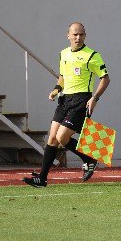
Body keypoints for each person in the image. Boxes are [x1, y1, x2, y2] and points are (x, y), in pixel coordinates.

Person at [23, 22, 110, 187]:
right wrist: (56, 90)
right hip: (64, 100)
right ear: (68, 35)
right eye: (75, 34)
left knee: (62, 137)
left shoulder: (92, 55)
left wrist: (95, 98)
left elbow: (105, 78)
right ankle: (42, 179)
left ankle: (89, 158)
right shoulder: (63, 54)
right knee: (52, 138)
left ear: (85, 36)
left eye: (82, 34)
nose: (78, 37)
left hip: (80, 100)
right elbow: (62, 76)